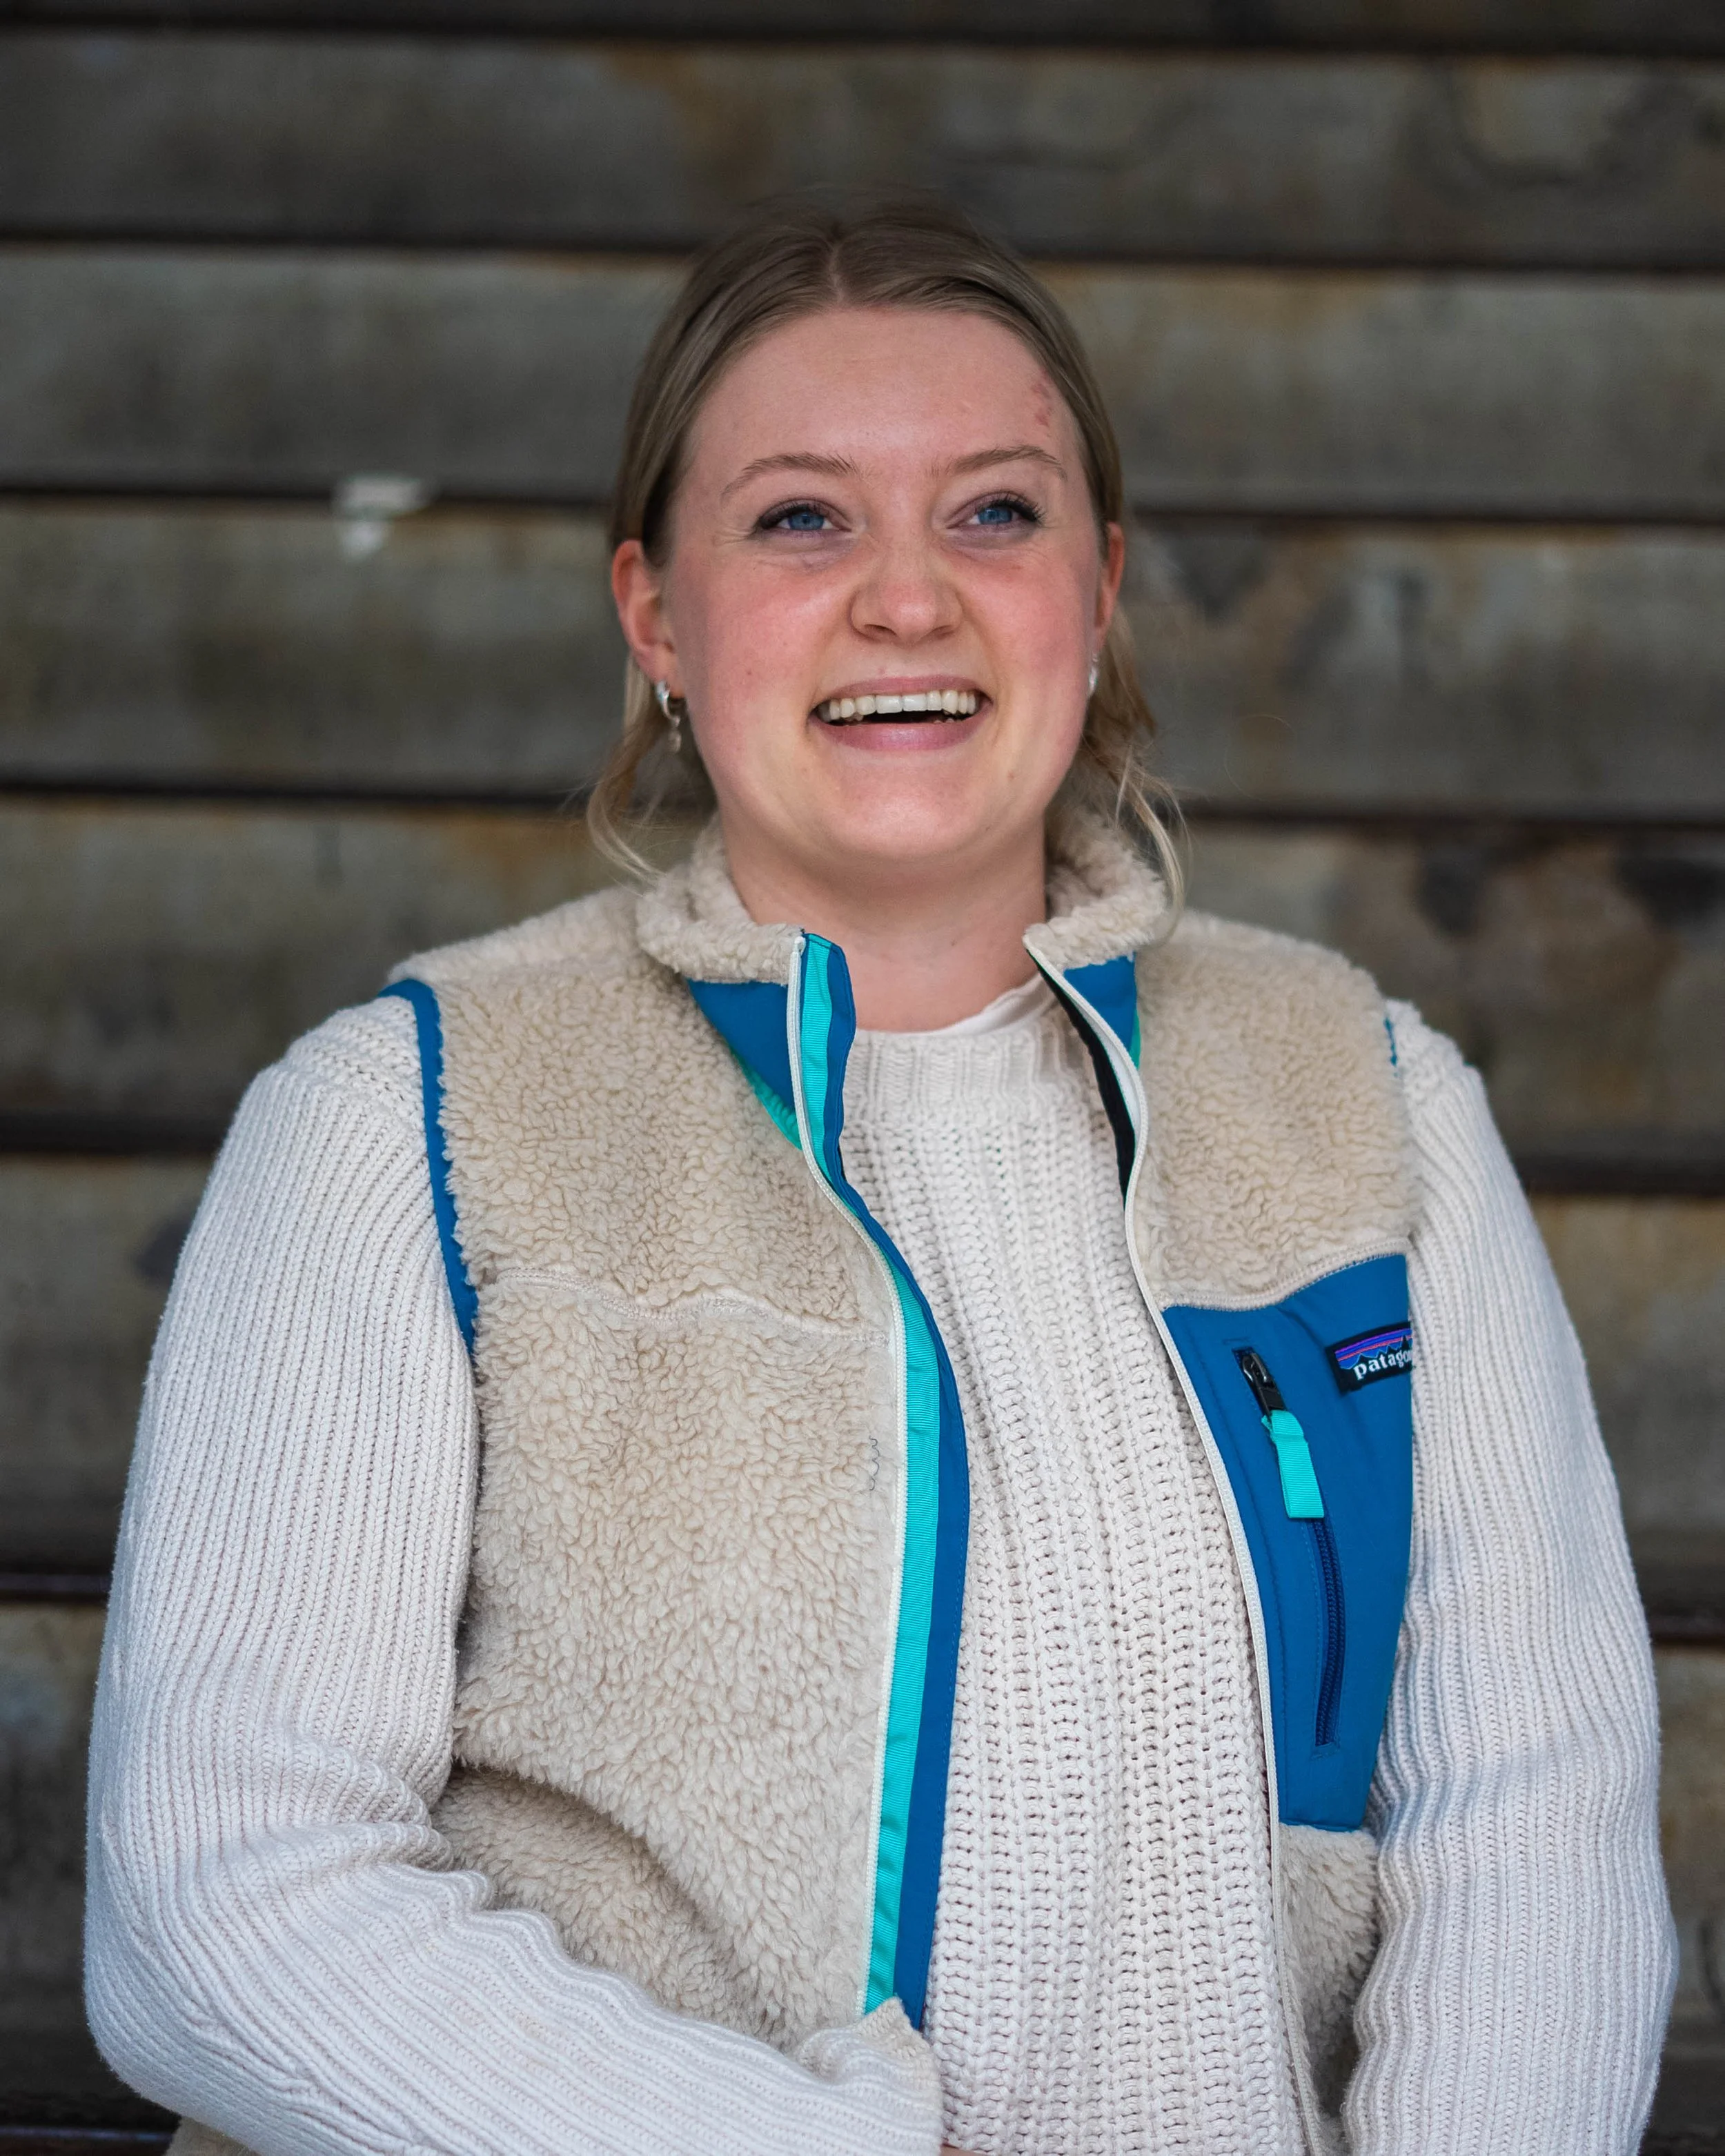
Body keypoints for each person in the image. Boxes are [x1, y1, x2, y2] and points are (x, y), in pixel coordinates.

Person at [85, 192, 1673, 2156]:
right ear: (656, 612)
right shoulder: (400, 1122)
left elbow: (1525, 1815)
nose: (906, 596)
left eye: (993, 513)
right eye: (799, 518)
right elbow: (222, 1897)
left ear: (1096, 592)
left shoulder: (1363, 1094)